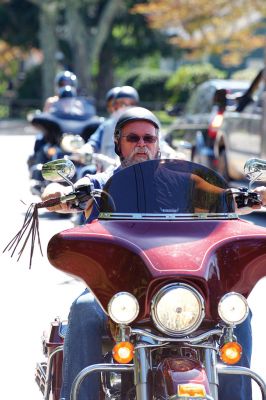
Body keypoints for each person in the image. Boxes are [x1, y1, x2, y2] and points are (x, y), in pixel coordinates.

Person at [42, 106, 265, 400]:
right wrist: (59, 195)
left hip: (181, 287)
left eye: (149, 138)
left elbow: (222, 199)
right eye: (133, 138)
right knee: (84, 310)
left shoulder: (182, 181)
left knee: (238, 314)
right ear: (118, 143)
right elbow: (54, 194)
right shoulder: (99, 184)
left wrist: (253, 195)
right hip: (118, 290)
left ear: (158, 142)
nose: (142, 144)